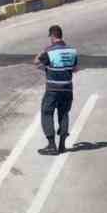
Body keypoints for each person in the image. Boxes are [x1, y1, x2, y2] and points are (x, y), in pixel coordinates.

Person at [35, 24, 79, 155]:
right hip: (67, 88)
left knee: (47, 113)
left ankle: (51, 145)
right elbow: (75, 69)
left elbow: (36, 62)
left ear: (52, 36)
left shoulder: (49, 51)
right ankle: (62, 145)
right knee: (64, 114)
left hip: (53, 89)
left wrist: (42, 57)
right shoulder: (72, 51)